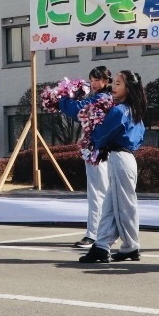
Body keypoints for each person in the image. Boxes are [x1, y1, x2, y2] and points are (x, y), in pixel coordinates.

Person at [79, 70, 147, 264]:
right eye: (114, 83)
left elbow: (101, 135)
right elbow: (140, 137)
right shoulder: (136, 111)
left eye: (118, 83)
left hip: (118, 158)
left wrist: (92, 133)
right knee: (111, 205)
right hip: (128, 158)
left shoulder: (118, 110)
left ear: (128, 88)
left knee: (124, 206)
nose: (113, 87)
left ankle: (131, 247)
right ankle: (101, 245)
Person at [58, 66, 112, 250]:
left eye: (99, 79)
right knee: (99, 191)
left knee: (98, 192)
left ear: (107, 81)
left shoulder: (103, 98)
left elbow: (78, 110)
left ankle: (95, 234)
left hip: (100, 150)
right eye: (92, 79)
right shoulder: (102, 98)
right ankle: (102, 232)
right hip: (98, 149)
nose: (95, 83)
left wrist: (63, 98)